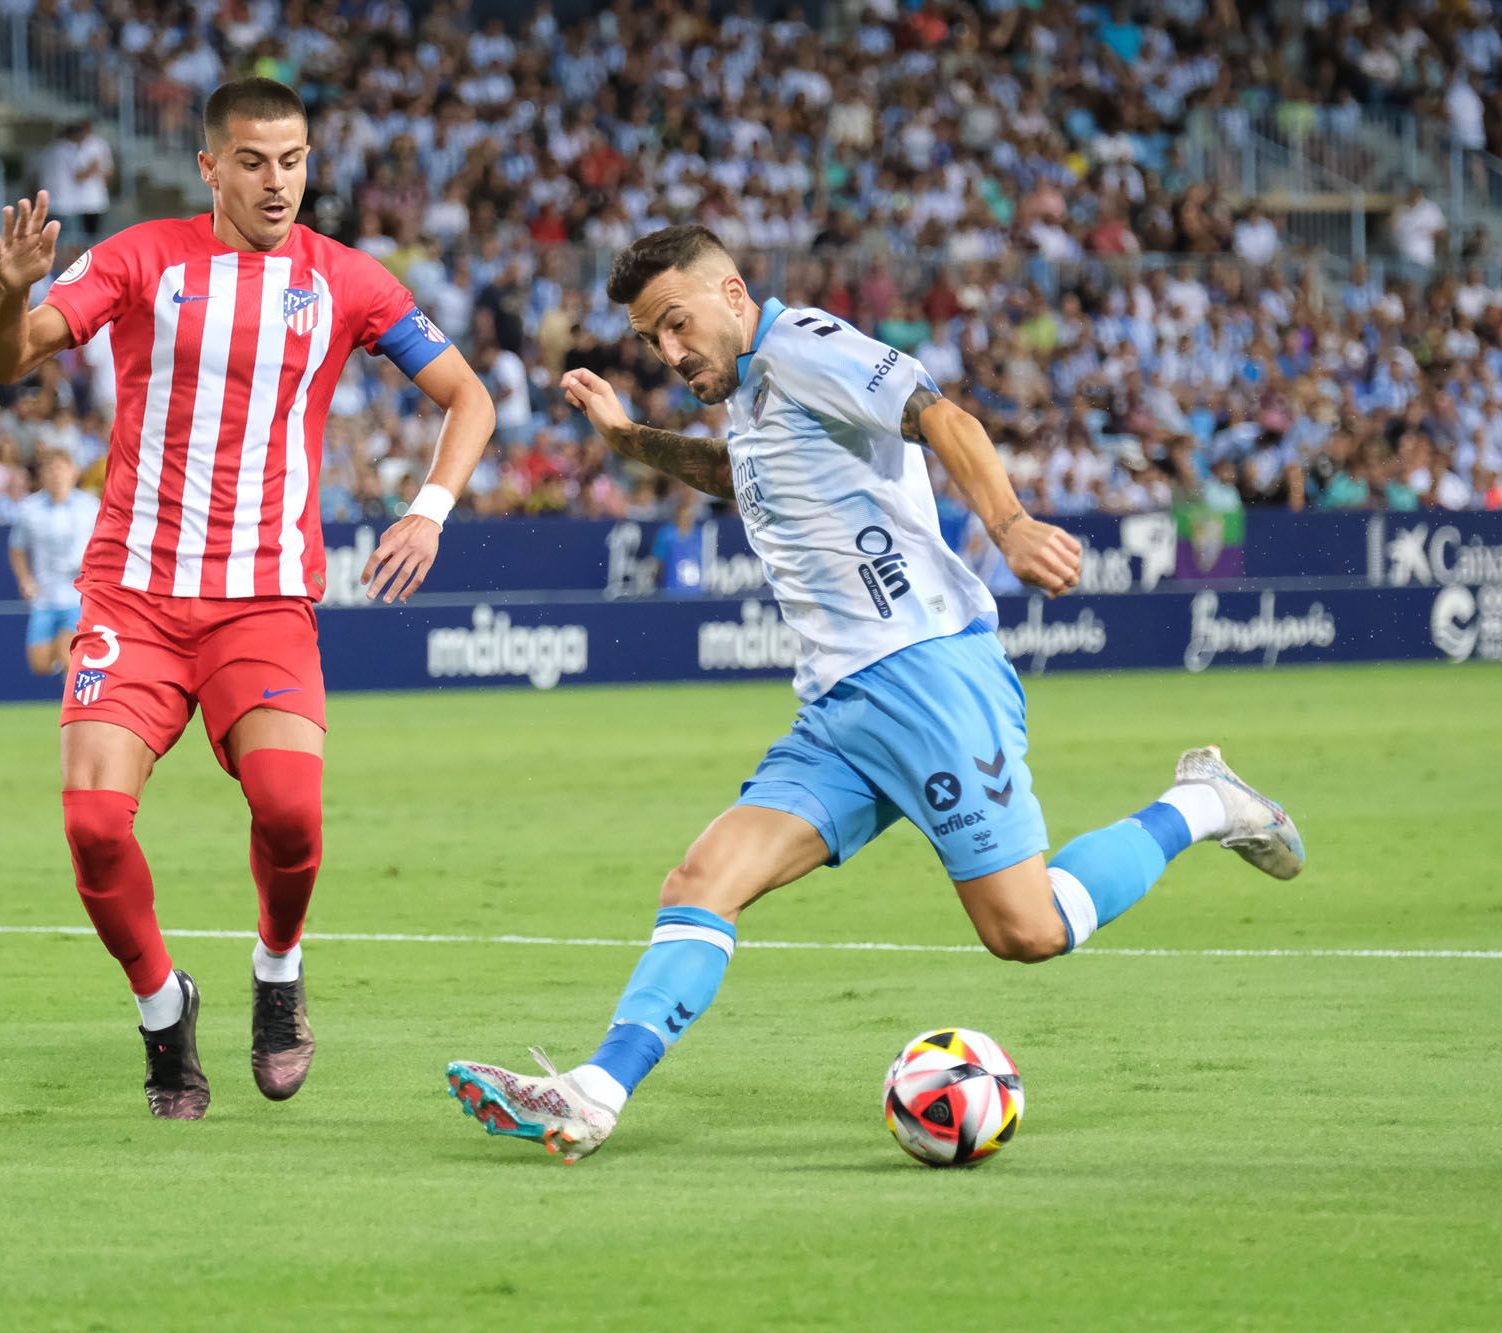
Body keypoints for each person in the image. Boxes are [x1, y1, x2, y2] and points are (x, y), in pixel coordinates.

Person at [444, 226, 1305, 1163]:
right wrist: (627, 439)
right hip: (842, 710)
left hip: (928, 673)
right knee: (701, 882)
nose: (670, 352)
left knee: (1028, 931)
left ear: (732, 293)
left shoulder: (804, 345)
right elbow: (749, 483)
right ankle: (593, 1093)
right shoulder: (755, 390)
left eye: (677, 324)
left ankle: (1204, 801)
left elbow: (943, 416)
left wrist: (1009, 524)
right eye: (653, 340)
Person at [0, 78, 494, 1121]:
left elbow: (466, 395)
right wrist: (10, 293)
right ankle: (164, 1013)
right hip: (134, 593)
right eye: (253, 162)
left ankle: (276, 969)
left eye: (293, 160)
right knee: (91, 827)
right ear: (210, 168)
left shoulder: (347, 281)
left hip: (263, 597)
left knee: (290, 812)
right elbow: (4, 363)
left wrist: (429, 508)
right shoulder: (137, 258)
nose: (277, 182)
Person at [9, 449, 98, 676]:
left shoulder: (91, 506)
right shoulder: (29, 509)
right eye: (50, 469)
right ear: (42, 475)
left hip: (78, 595)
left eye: (61, 468)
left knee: (69, 657)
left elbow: (105, 545)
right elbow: (17, 548)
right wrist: (25, 579)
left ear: (73, 472)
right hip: (45, 597)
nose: (56, 474)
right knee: (39, 665)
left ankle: (74, 705)